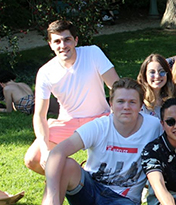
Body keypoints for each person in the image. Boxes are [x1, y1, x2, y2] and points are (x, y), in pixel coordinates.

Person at [29, 78, 162, 205]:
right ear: (111, 104)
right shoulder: (99, 126)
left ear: (140, 106)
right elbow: (57, 152)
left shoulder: (153, 126)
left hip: (122, 203)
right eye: (120, 101)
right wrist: (52, 198)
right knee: (67, 165)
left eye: (132, 102)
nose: (126, 107)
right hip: (89, 192)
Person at [24, 20, 119, 175]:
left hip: (100, 118)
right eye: (57, 41)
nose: (63, 45)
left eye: (67, 39)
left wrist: (116, 117)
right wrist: (45, 149)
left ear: (75, 40)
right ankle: (78, 176)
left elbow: (116, 88)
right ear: (50, 45)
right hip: (68, 122)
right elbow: (40, 115)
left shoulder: (93, 53)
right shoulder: (45, 72)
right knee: (33, 159)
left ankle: (85, 176)